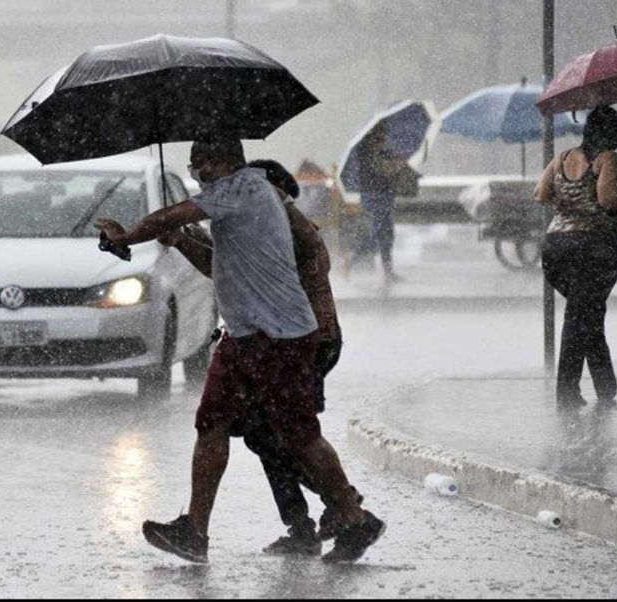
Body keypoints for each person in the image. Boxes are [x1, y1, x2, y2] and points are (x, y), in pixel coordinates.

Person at [95, 139, 384, 565]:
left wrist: (131, 234)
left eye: (199, 168)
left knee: (296, 436)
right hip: (244, 336)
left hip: (282, 336)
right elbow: (218, 266)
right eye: (192, 169)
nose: (197, 176)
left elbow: (174, 213)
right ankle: (195, 530)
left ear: (222, 162)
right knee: (212, 423)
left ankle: (350, 513)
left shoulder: (246, 188)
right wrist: (175, 240)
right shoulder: (235, 205)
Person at [156, 158, 348, 556]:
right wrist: (183, 239)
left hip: (297, 342)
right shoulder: (276, 225)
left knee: (287, 435)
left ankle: (343, 506)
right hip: (282, 340)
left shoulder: (285, 231)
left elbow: (233, 268)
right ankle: (315, 519)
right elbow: (223, 265)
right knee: (272, 435)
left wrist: (186, 238)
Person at [535, 106, 617, 409]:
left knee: (587, 313)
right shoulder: (607, 159)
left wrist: (568, 206)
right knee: (580, 317)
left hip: (556, 248)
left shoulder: (562, 157)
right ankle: (567, 391)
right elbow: (605, 199)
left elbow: (540, 193)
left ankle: (606, 386)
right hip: (593, 247)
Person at [348, 123, 408, 282]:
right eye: (378, 138)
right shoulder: (363, 152)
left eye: (383, 138)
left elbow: (391, 171)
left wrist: (396, 163)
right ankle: (352, 262)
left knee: (387, 235)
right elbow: (378, 173)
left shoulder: (384, 153)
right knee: (374, 234)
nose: (381, 142)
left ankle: (388, 271)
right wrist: (391, 166)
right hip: (373, 197)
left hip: (385, 197)